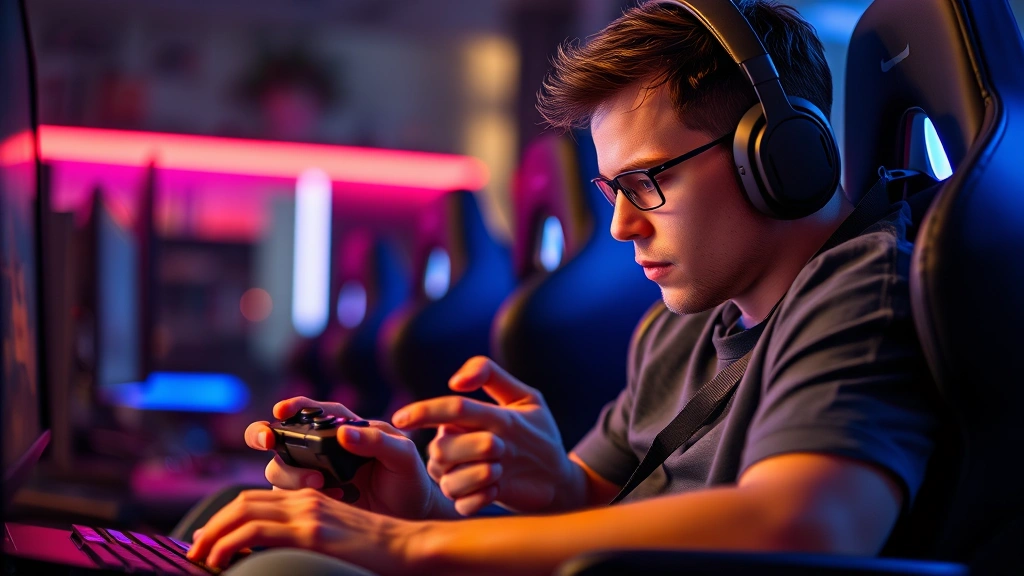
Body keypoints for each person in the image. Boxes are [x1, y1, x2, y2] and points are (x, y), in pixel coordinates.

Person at [187, 1, 939, 574]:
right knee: (237, 518)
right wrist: (425, 508)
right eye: (611, 188)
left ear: (779, 156)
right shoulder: (680, 326)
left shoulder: (862, 289)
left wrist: (412, 545)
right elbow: (598, 510)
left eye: (647, 182)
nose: (619, 228)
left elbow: (803, 528)